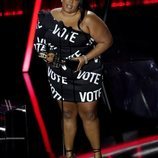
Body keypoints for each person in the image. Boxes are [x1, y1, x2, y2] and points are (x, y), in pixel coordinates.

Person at [34, 0, 113, 157]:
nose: (70, 2)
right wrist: (46, 57)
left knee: (89, 113)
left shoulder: (89, 18)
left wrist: (84, 59)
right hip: (59, 73)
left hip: (86, 73)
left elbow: (107, 41)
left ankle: (97, 155)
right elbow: (39, 47)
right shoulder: (48, 18)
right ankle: (69, 154)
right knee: (67, 113)